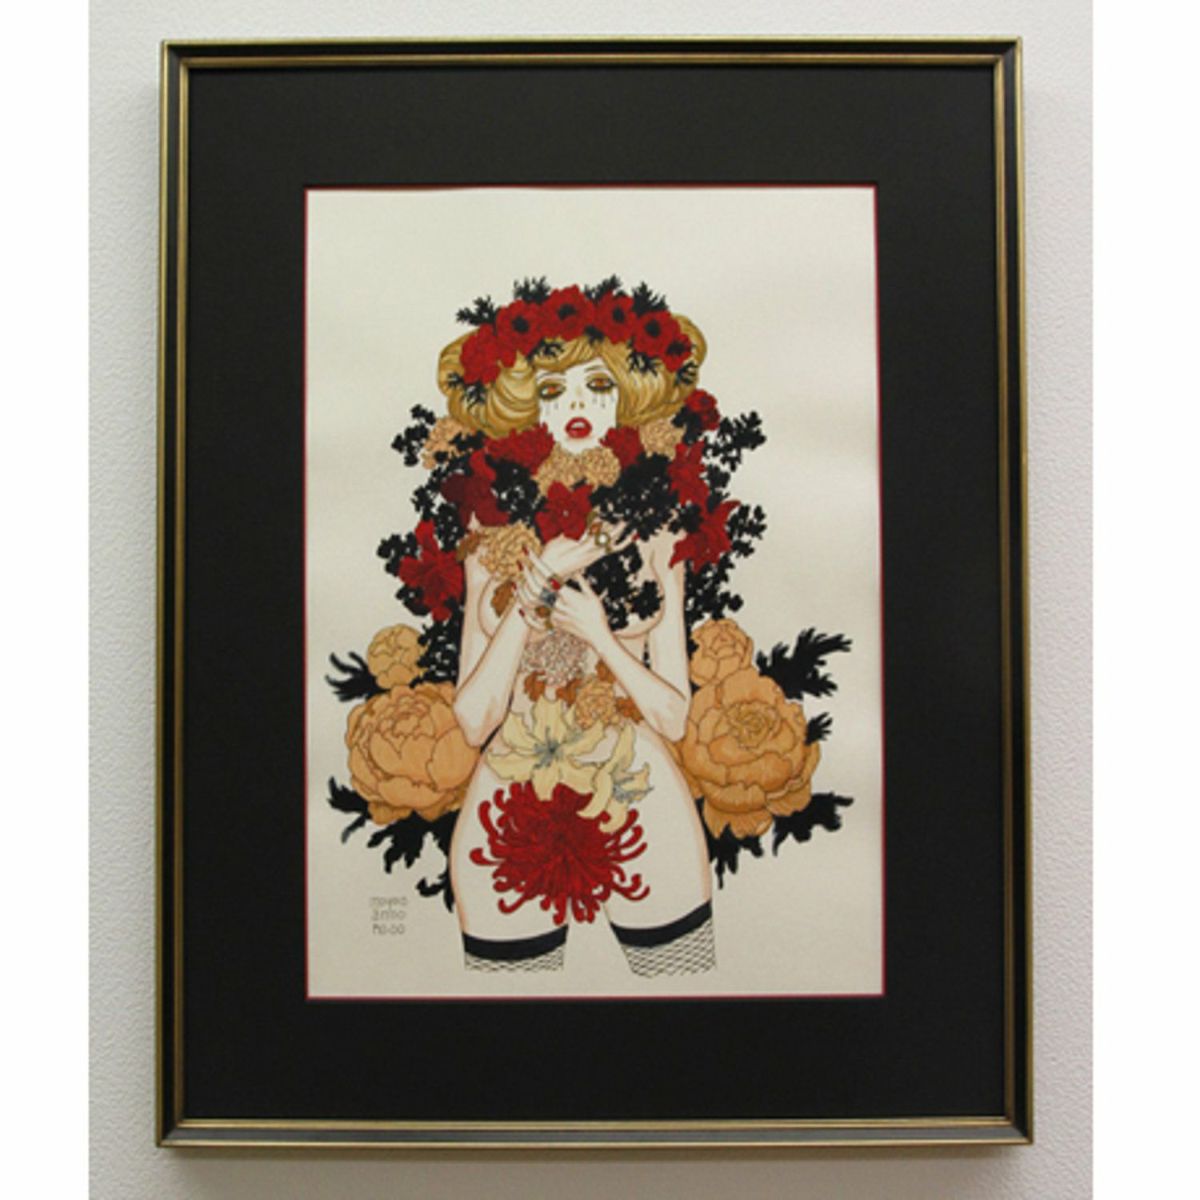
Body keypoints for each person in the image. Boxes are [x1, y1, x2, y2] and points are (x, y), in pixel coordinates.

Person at [434, 281, 718, 975]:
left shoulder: (659, 529)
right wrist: (541, 580)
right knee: (501, 1012)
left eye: (598, 384)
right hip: (510, 796)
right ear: (525, 404)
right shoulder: (489, 529)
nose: (578, 407)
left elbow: (674, 717)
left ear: (628, 395)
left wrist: (598, 632)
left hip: (639, 788)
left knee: (683, 995)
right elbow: (473, 719)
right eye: (554, 390)